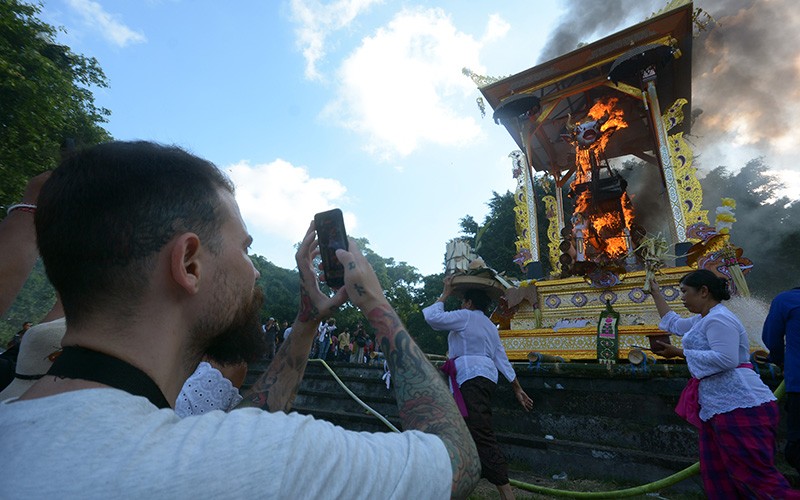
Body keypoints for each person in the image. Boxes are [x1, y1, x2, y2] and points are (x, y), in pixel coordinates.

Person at [0, 141, 479, 498]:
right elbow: (456, 460)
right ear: (190, 263)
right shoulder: (263, 459)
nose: (255, 271)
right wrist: (375, 302)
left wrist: (306, 322)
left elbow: (234, 428)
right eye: (246, 250)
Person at [649, 270, 798, 498]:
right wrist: (655, 293)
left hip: (740, 404)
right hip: (717, 406)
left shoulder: (719, 319)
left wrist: (680, 352)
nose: (682, 298)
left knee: (754, 476)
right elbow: (675, 324)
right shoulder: (704, 319)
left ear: (704, 291)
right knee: (719, 475)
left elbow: (726, 359)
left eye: (685, 292)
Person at [423, 275, 534, 500]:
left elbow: (432, 317)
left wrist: (445, 292)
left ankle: (507, 494)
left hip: (470, 378)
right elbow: (501, 358)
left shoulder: (465, 316)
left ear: (469, 303)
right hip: (484, 378)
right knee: (465, 431)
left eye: (463, 301)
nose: (461, 305)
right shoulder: (490, 326)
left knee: (481, 433)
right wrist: (517, 388)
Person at [762, 286, 800, 474]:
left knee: (797, 449)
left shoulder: (787, 300)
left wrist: (782, 362)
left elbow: (772, 340)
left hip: (798, 385)